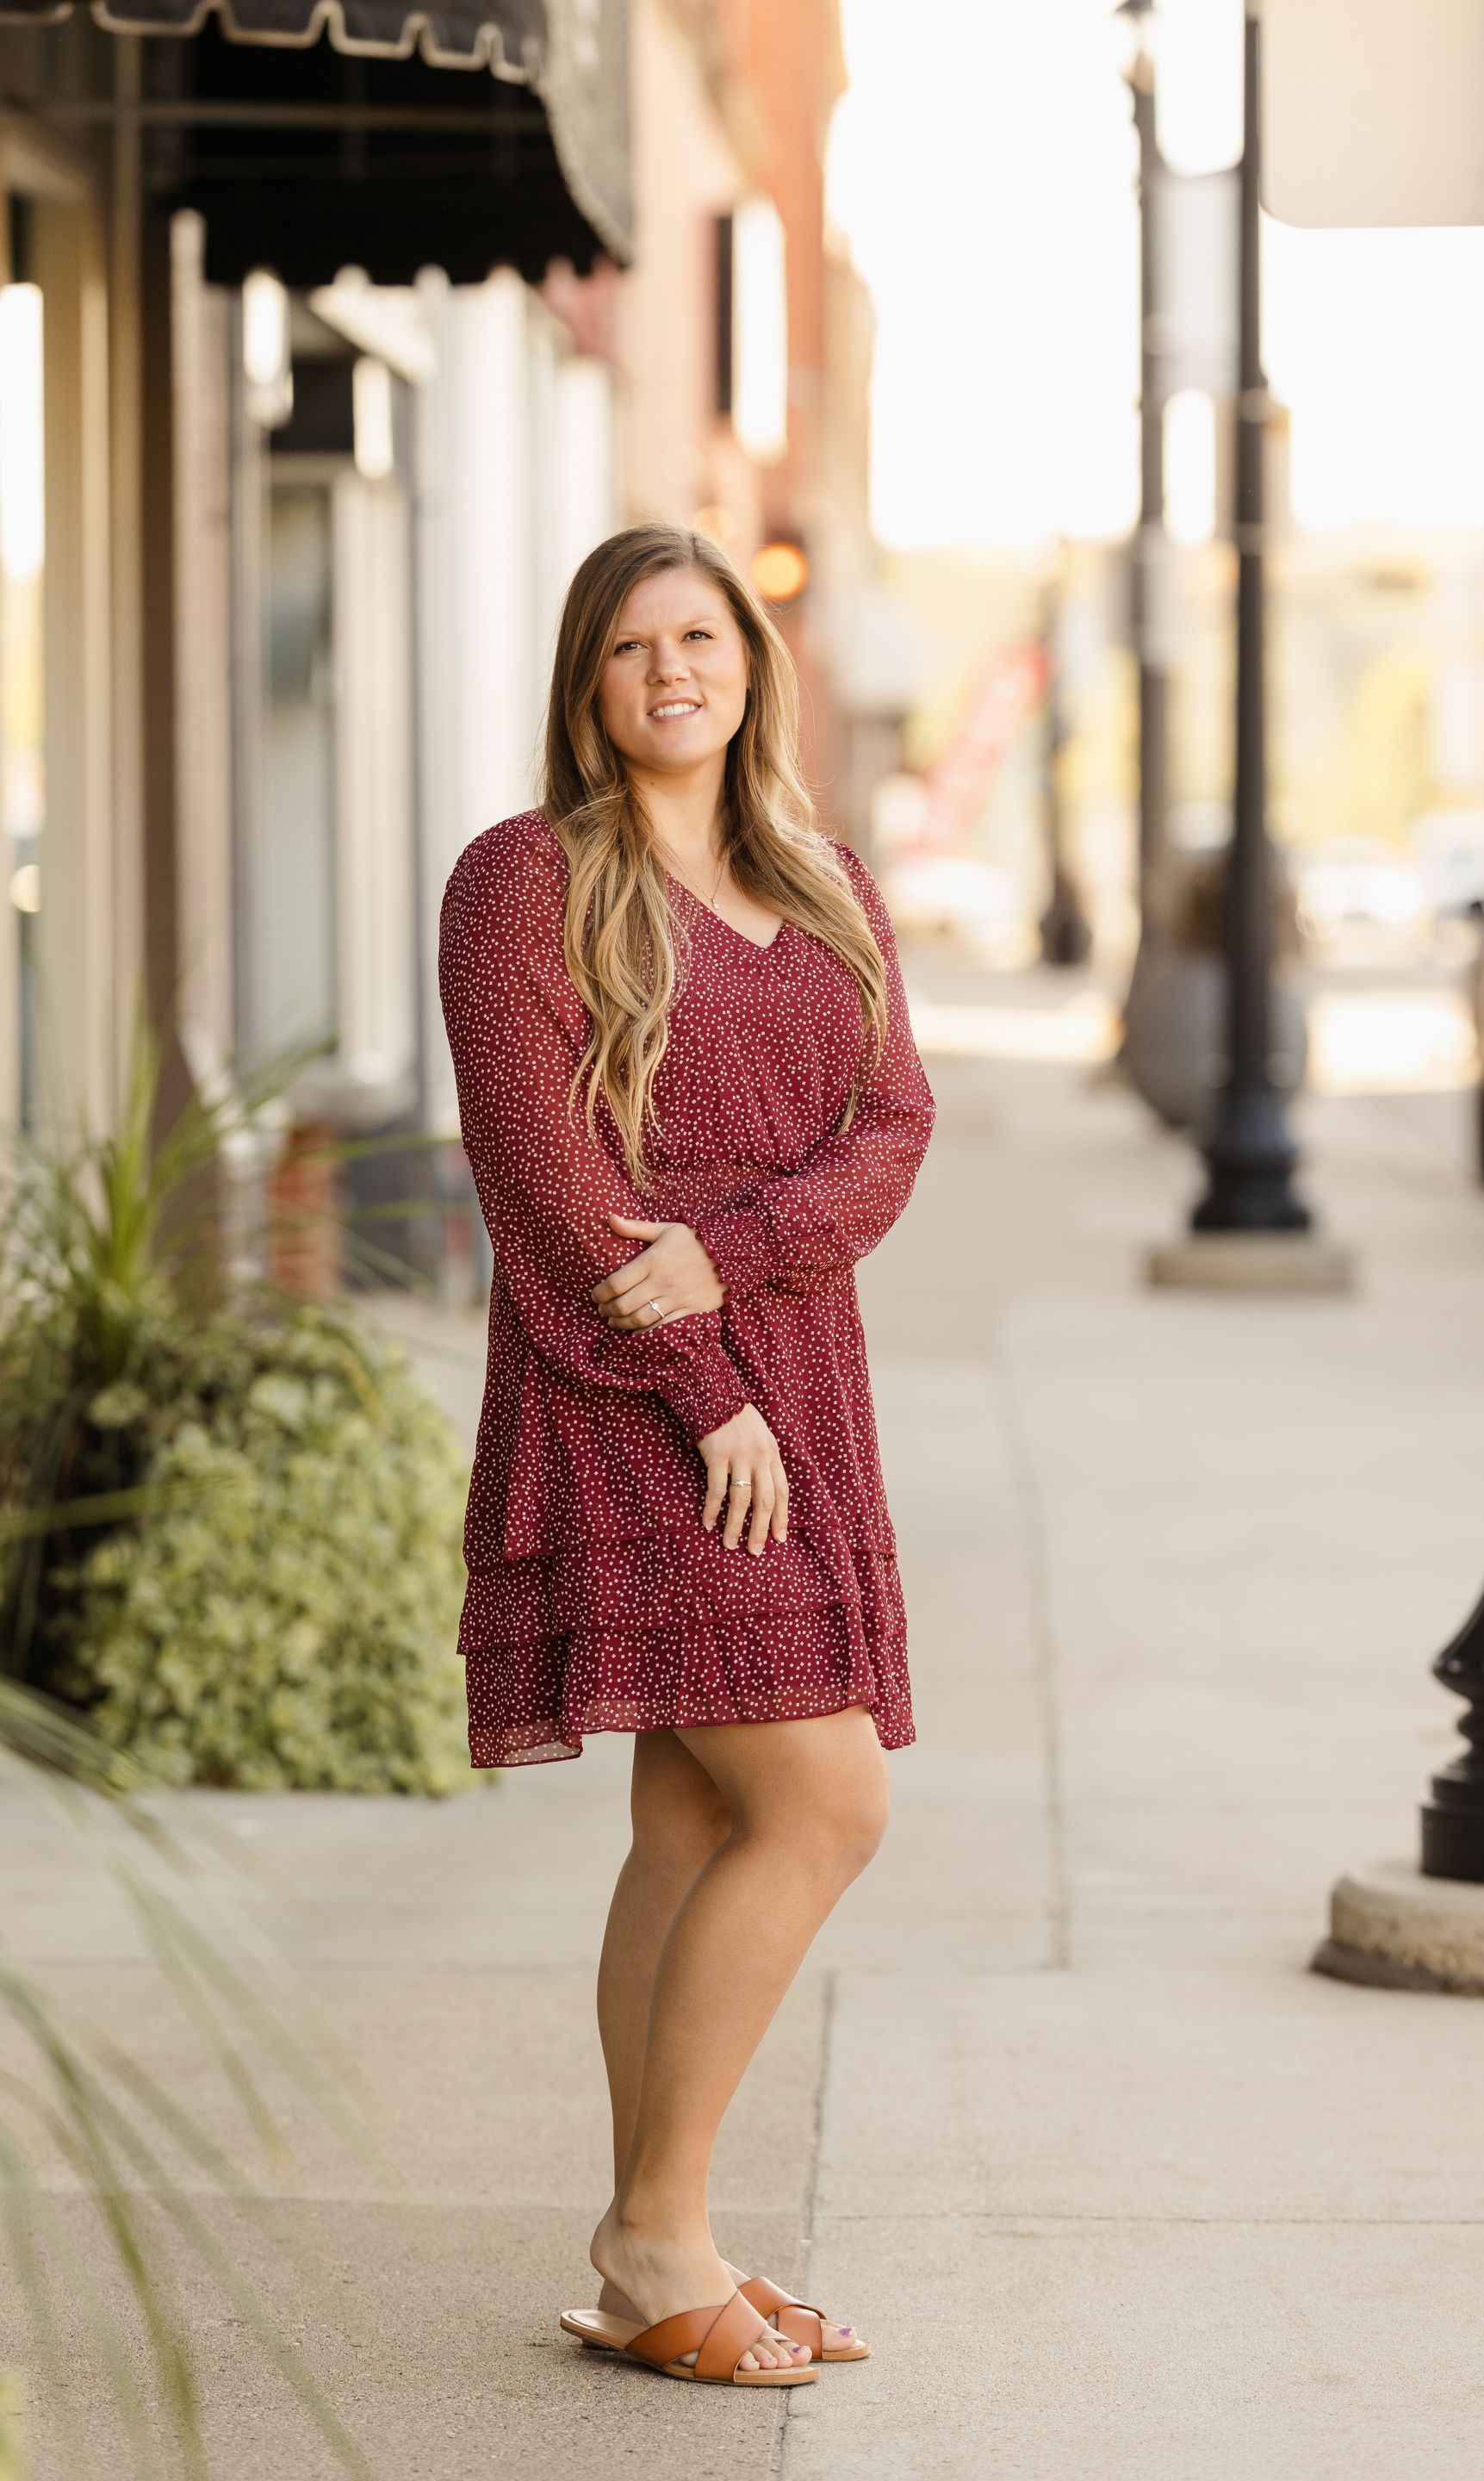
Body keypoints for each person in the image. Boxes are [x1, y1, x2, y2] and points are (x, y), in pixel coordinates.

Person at [438, 523, 934, 2390]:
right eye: (635, 644)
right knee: (823, 1803)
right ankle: (657, 2231)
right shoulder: (523, 883)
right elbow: (544, 1179)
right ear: (590, 680)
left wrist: (741, 1255)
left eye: (702, 637)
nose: (673, 670)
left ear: (751, 664)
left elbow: (895, 1127)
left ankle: (665, 2242)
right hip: (626, 1391)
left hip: (793, 1380)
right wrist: (705, 1373)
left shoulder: (823, 879)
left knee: (699, 1810)